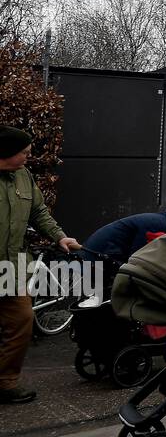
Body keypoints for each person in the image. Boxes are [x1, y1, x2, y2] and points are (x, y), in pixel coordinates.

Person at [0, 127, 82, 405]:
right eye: (23, 152)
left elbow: (38, 213)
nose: (28, 156)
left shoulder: (23, 177)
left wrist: (60, 236)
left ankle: (6, 382)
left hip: (12, 268)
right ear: (6, 153)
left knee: (21, 321)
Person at [84, 206, 166, 263]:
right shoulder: (160, 227)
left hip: (97, 253)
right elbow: (139, 260)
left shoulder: (160, 221)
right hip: (98, 256)